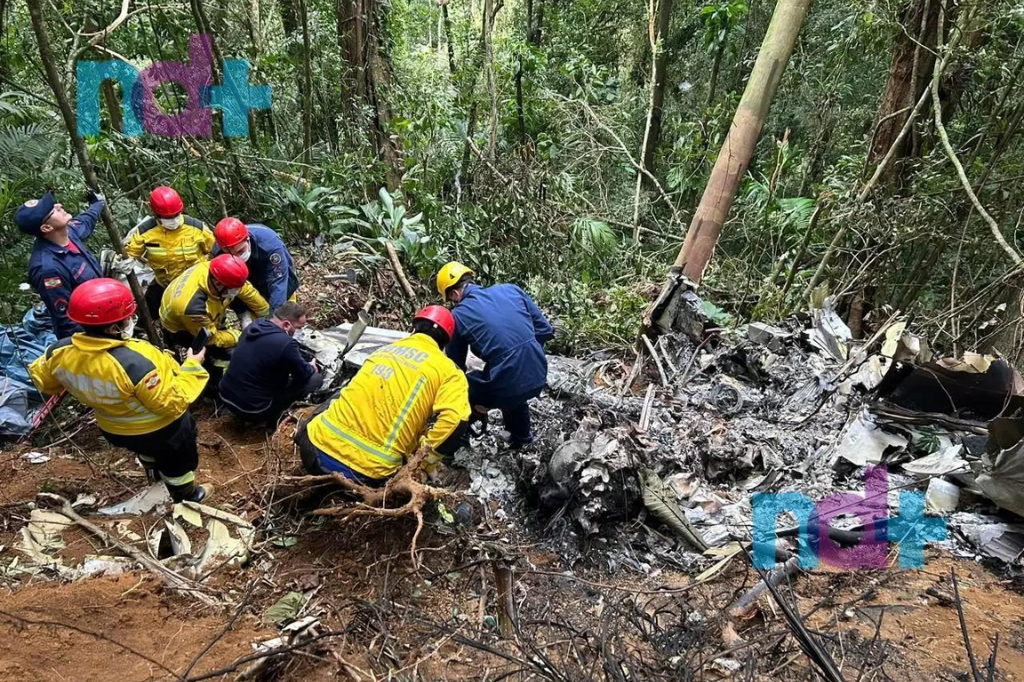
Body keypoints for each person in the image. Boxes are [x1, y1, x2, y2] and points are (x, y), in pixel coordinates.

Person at [28, 279, 210, 502]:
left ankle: (153, 474)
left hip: (114, 428)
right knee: (179, 461)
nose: (130, 321)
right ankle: (186, 495)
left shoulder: (58, 352)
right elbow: (171, 403)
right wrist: (192, 366)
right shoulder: (134, 363)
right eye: (127, 318)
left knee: (147, 451)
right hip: (161, 429)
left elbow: (45, 382)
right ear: (113, 327)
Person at [295, 306, 470, 485]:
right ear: (446, 343)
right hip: (366, 474)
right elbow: (456, 419)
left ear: (413, 329)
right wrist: (424, 462)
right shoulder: (449, 371)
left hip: (312, 449)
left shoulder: (383, 351)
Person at [436, 262, 553, 449]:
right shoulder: (511, 289)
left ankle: (455, 444)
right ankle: (522, 438)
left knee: (464, 389)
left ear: (454, 294)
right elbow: (545, 329)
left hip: (510, 383)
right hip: (539, 372)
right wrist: (524, 356)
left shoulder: (457, 315)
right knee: (507, 377)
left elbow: (455, 366)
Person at [159, 254, 269, 384]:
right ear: (218, 283)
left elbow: (247, 291)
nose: (237, 291)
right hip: (181, 326)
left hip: (209, 310)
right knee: (216, 354)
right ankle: (213, 386)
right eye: (233, 288)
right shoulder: (192, 307)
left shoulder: (219, 270)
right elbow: (211, 338)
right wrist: (239, 336)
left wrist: (267, 314)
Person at [17, 190, 106, 338]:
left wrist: (98, 203)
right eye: (53, 210)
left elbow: (86, 220)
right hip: (90, 334)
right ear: (46, 228)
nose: (59, 205)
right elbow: (66, 319)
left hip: (105, 317)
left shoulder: (68, 232)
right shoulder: (48, 268)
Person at [218, 301, 323, 424]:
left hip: (225, 396)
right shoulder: (286, 344)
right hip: (254, 409)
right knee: (315, 379)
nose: (299, 331)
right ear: (286, 325)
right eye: (299, 328)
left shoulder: (254, 325)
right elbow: (303, 375)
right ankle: (273, 418)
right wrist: (311, 367)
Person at [121, 186, 215, 322]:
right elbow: (130, 253)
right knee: (148, 311)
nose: (173, 219)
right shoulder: (145, 232)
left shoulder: (197, 228)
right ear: (156, 215)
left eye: (176, 215)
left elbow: (214, 250)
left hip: (195, 285)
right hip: (164, 283)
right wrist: (125, 262)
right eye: (168, 217)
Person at [213, 218, 298, 312]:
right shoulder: (218, 252)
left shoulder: (270, 244)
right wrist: (242, 312)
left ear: (247, 239)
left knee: (286, 313)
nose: (238, 256)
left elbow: (278, 283)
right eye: (232, 254)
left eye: (240, 251)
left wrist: (276, 319)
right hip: (251, 284)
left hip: (278, 278)